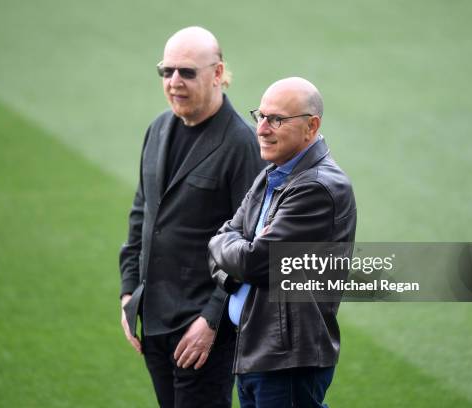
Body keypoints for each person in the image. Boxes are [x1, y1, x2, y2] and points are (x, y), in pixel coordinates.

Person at [118, 26, 264, 408]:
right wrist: (129, 289)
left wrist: (212, 319)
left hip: (202, 332)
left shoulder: (240, 145)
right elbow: (142, 214)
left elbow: (250, 246)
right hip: (154, 320)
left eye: (187, 72)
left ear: (217, 74)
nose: (174, 82)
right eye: (166, 72)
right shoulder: (158, 129)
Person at [208, 77, 357, 408]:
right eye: (260, 116)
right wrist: (234, 261)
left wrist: (235, 255)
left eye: (275, 119)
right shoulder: (271, 174)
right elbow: (223, 243)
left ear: (311, 126)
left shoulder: (317, 188)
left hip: (286, 360)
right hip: (257, 350)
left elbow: (253, 261)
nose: (261, 129)